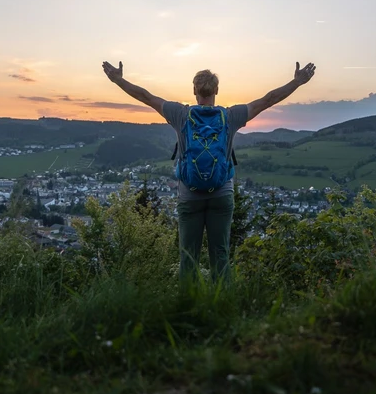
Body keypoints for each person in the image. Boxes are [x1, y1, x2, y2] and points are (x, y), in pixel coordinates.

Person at [101, 60, 317, 283]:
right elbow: (268, 100)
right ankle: (222, 308)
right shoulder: (231, 116)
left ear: (194, 91)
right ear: (216, 91)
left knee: (188, 258)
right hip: (221, 194)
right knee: (220, 255)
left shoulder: (180, 114)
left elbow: (146, 96)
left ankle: (189, 309)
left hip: (189, 195)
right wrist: (297, 82)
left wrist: (118, 79)